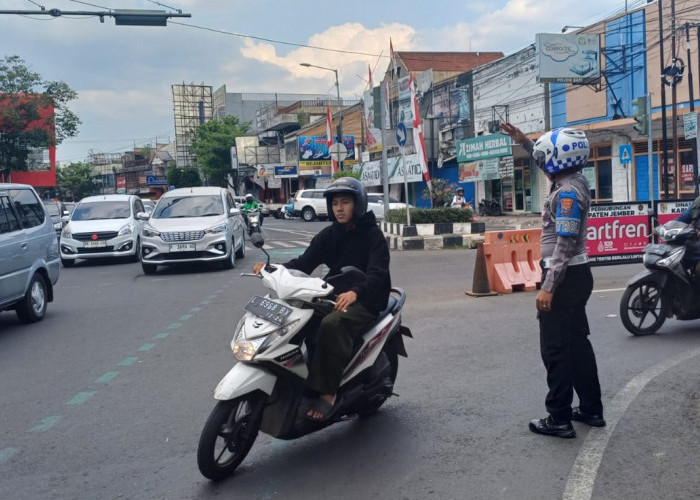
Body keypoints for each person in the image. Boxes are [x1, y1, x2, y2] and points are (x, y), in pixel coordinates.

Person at [253, 177, 391, 422]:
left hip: (367, 298)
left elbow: (377, 274)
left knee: (331, 324)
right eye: (335, 203)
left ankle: (328, 392)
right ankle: (303, 377)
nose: (339, 208)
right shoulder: (330, 234)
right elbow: (304, 263)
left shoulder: (372, 235)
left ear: (357, 204)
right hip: (334, 294)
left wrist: (356, 292)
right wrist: (272, 268)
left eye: (345, 202)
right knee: (298, 317)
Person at [501, 123, 605, 439]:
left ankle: (558, 417)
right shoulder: (571, 181)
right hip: (576, 276)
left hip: (565, 277)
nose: (542, 162)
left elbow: (565, 243)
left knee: (555, 349)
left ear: (558, 159)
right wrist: (524, 141)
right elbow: (547, 159)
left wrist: (549, 286)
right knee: (577, 344)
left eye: (546, 157)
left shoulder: (568, 193)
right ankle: (590, 408)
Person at [672, 194, 700, 282]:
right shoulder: (697, 202)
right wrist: (666, 226)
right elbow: (684, 217)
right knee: (676, 264)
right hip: (695, 244)